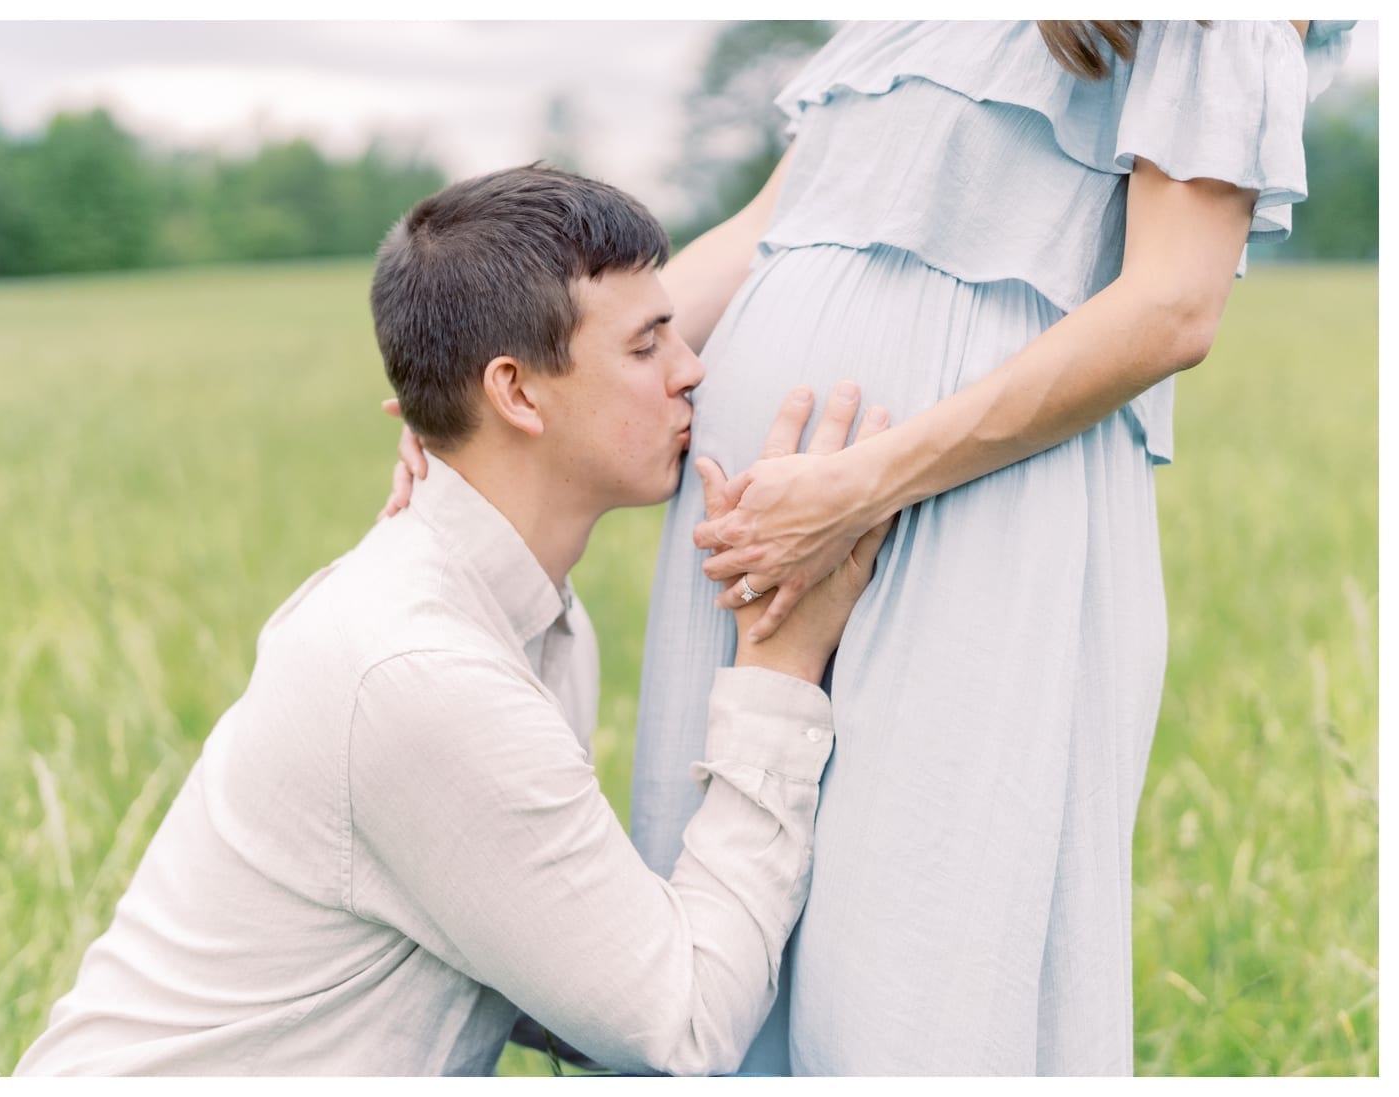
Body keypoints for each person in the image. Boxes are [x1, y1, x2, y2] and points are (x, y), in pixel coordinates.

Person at [383, 17, 1358, 1076]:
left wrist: (858, 485)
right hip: (767, 525)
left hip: (959, 514)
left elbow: (1171, 306)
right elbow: (774, 227)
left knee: (912, 948)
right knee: (732, 922)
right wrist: (477, 400)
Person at [13, 165, 892, 1077]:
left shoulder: (528, 619)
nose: (692, 369)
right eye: (646, 346)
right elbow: (684, 1027)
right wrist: (779, 670)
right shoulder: (419, 668)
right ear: (514, 393)